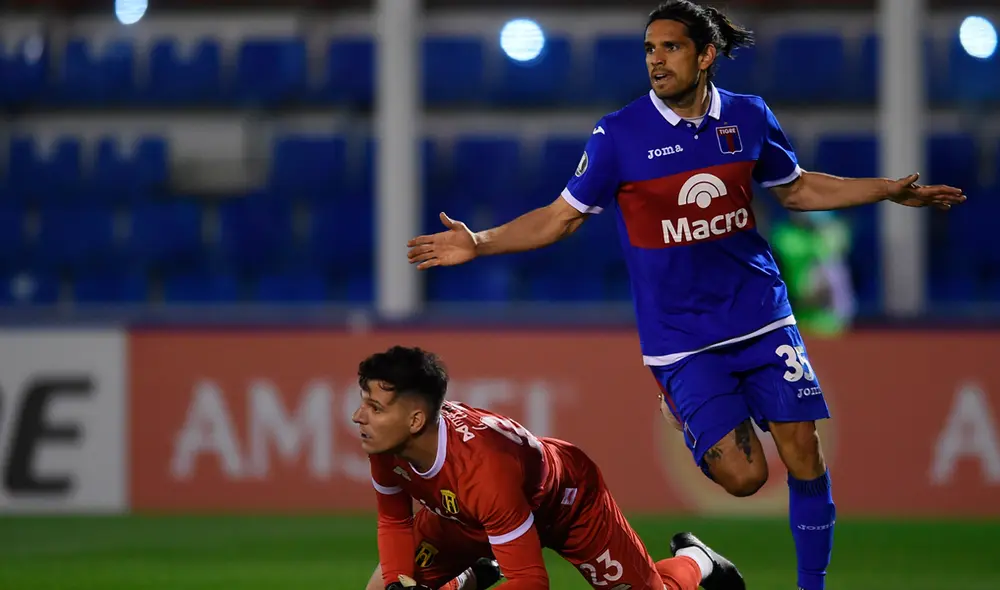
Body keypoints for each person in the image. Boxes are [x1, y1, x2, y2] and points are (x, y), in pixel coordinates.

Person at [404, 2, 967, 590]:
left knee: (804, 450)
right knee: (746, 478)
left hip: (760, 313)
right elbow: (558, 219)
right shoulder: (619, 135)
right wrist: (482, 242)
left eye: (670, 48)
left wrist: (885, 191)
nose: (656, 61)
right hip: (682, 337)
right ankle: (686, 419)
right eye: (649, 49)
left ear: (705, 56)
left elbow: (796, 191)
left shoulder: (749, 118)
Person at [354, 345, 745, 590]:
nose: (358, 417)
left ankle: (697, 560)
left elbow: (530, 581)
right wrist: (396, 583)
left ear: (416, 420)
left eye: (374, 408)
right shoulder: (387, 447)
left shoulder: (484, 471)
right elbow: (395, 521)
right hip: (464, 518)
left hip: (567, 505)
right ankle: (475, 572)